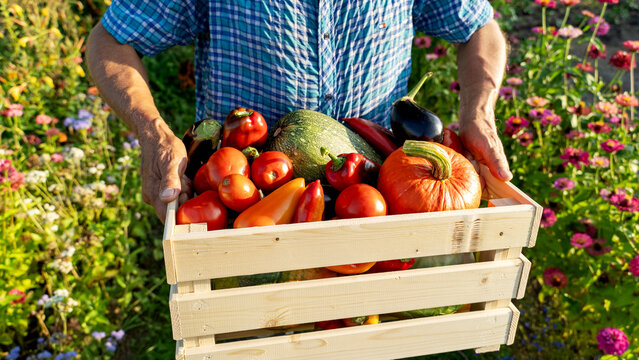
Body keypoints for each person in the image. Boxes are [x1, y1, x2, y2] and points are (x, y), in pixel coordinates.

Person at [86, 0, 513, 221]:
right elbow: (111, 41)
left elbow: (479, 27)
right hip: (244, 209)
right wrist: (153, 134)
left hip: (380, 202)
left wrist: (479, 114)